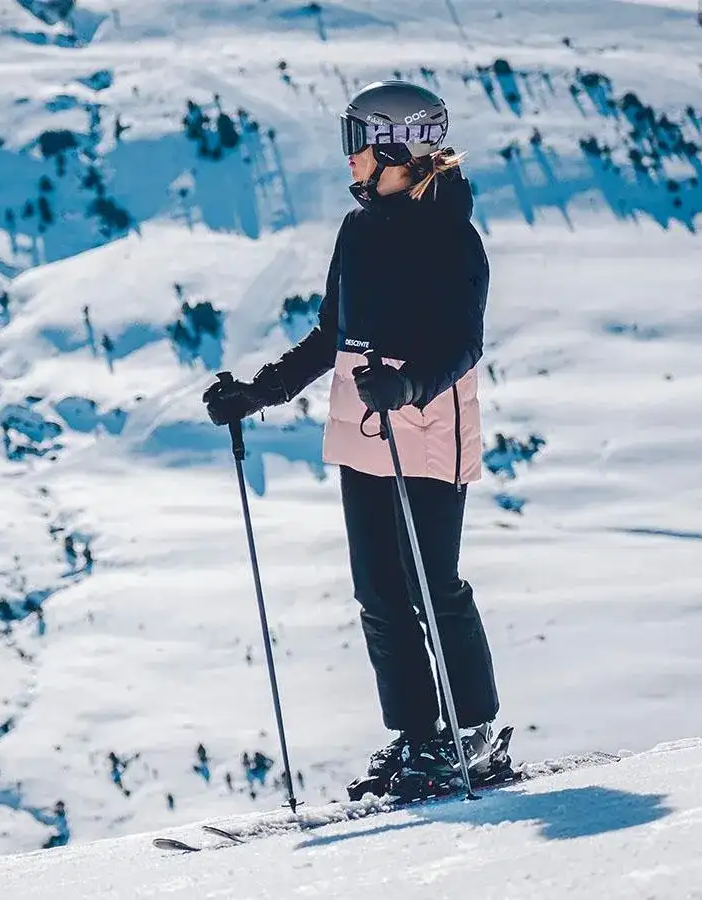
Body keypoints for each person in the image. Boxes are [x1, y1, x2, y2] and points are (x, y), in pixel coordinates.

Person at [202, 81, 504, 796]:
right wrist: (262, 391)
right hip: (361, 424)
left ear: (399, 149)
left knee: (434, 584)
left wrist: (409, 385)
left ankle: (474, 735)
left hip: (427, 424)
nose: (350, 165)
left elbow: (465, 343)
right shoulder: (358, 230)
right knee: (378, 592)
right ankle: (417, 737)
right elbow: (330, 336)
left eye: (358, 147)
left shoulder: (453, 236)